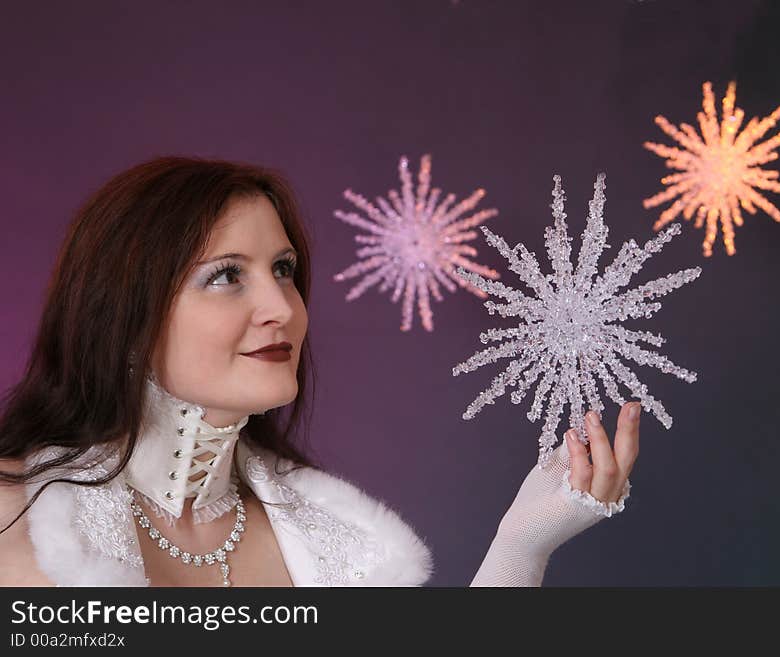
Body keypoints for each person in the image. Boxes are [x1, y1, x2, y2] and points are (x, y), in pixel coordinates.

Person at [0, 156, 637, 587]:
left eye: (283, 270)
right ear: (125, 318)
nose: (282, 308)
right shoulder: (17, 518)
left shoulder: (331, 541)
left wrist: (519, 548)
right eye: (227, 276)